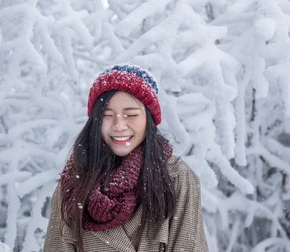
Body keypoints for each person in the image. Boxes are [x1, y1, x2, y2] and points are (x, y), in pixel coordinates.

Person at [44, 65, 209, 252]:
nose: (119, 125)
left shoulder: (176, 177)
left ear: (149, 119)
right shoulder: (74, 182)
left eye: (130, 115)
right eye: (107, 115)